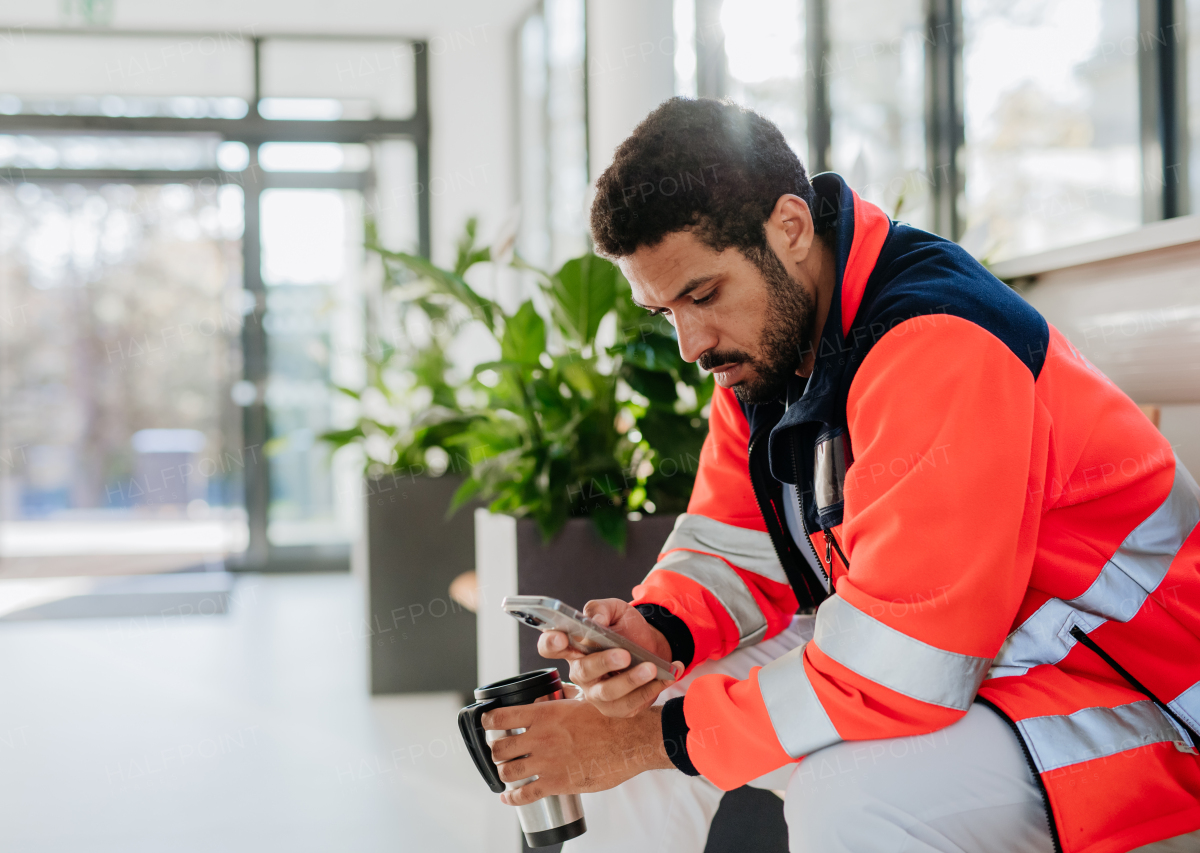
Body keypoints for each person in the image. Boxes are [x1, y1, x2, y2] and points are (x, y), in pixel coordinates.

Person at [479, 98, 1200, 853]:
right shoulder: (763, 353)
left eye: (702, 294)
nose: (692, 343)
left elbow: (904, 665)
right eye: (664, 312)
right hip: (990, 656)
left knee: (853, 800)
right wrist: (659, 628)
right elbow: (736, 542)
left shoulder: (936, 344)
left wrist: (649, 742)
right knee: (646, 712)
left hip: (1140, 693)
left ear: (789, 228)